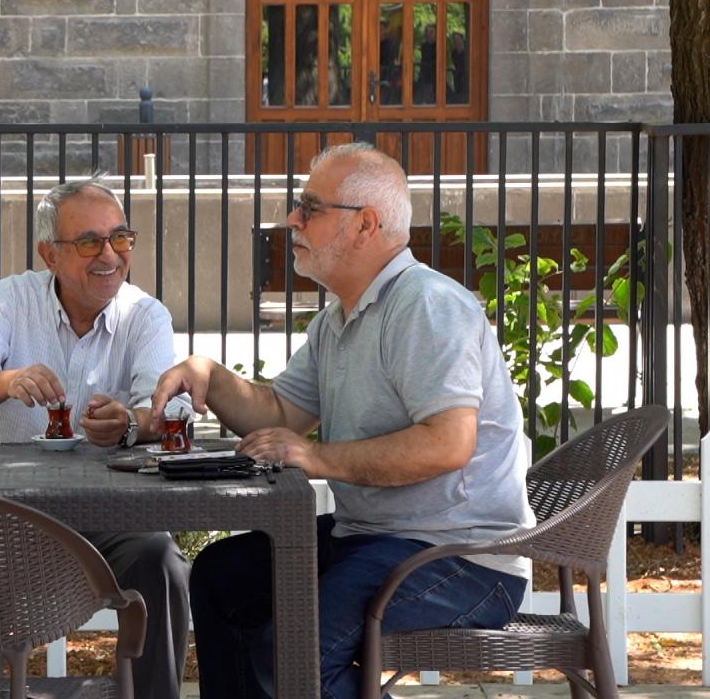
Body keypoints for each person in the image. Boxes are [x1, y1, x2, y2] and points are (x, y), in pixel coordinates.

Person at [149, 144, 535, 699]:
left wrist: (315, 456)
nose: (292, 218)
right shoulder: (339, 319)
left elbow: (447, 444)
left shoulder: (426, 304)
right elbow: (280, 413)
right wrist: (206, 374)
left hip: (459, 558)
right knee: (220, 577)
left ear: (365, 225)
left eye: (310, 207)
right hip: (373, 538)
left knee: (294, 651)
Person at [0, 170, 191, 699]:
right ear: (50, 255)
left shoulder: (145, 315)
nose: (109, 255)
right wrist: (7, 381)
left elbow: (166, 408)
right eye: (89, 242)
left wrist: (131, 423)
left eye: (120, 238)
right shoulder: (12, 299)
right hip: (7, 516)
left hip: (109, 518)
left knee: (161, 560)